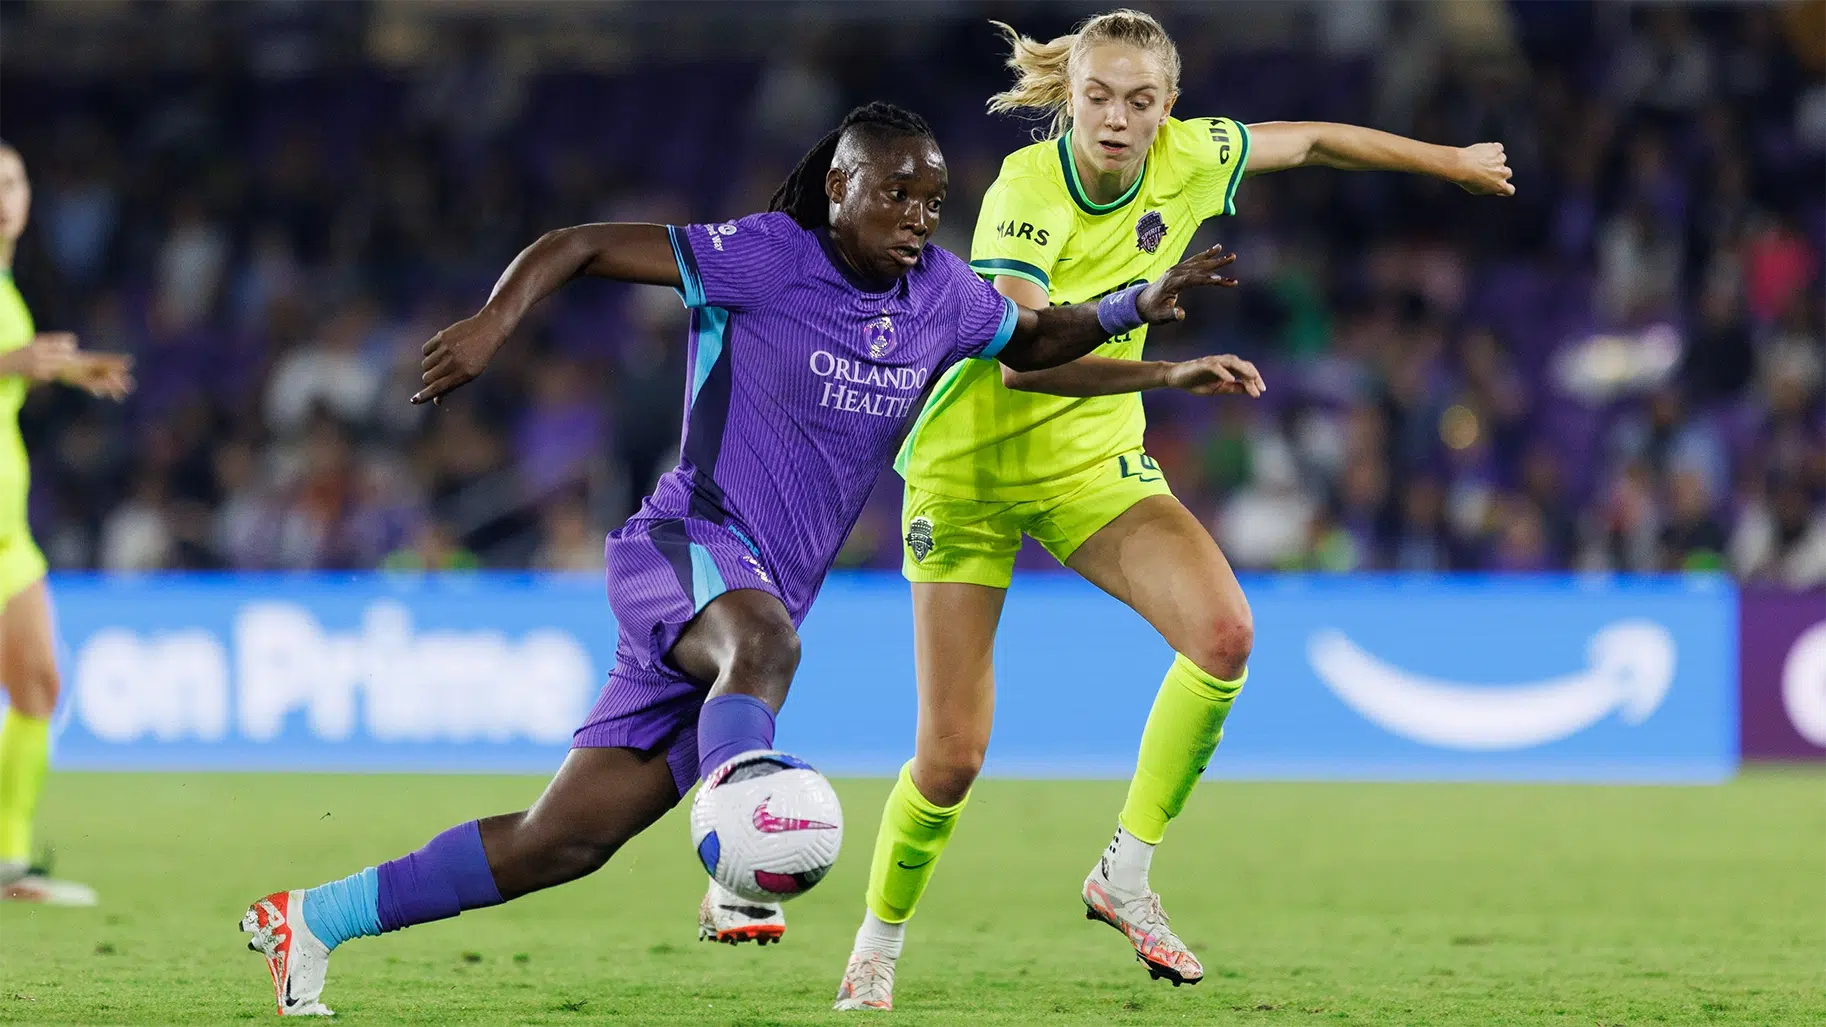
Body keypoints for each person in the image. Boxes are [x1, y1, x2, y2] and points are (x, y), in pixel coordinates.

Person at [238, 102, 1243, 1017]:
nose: (916, 217)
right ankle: (736, 860)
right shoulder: (762, 257)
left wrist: (1136, 315)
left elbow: (1028, 340)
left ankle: (311, 920)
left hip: (749, 607)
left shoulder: (939, 294)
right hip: (684, 546)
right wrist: (497, 321)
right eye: (895, 193)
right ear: (838, 187)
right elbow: (578, 244)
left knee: (567, 839)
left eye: (932, 200)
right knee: (761, 642)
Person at [834, 11, 1516, 1009]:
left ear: (1168, 109)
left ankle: (1123, 874)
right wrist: (1168, 365)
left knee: (1224, 632)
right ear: (1069, 98)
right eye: (1099, 97)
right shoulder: (1023, 193)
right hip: (965, 467)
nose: (1116, 118)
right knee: (949, 757)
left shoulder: (1193, 157)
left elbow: (1318, 140)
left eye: (1139, 101)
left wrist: (1447, 161)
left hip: (1089, 467)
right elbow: (1021, 364)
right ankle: (876, 943)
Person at [0, 141, 134, 905]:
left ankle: (8, 864)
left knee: (39, 684)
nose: (3, 196)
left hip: (9, 535)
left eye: (13, 180)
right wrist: (13, 365)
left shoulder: (8, 286)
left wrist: (57, 367)